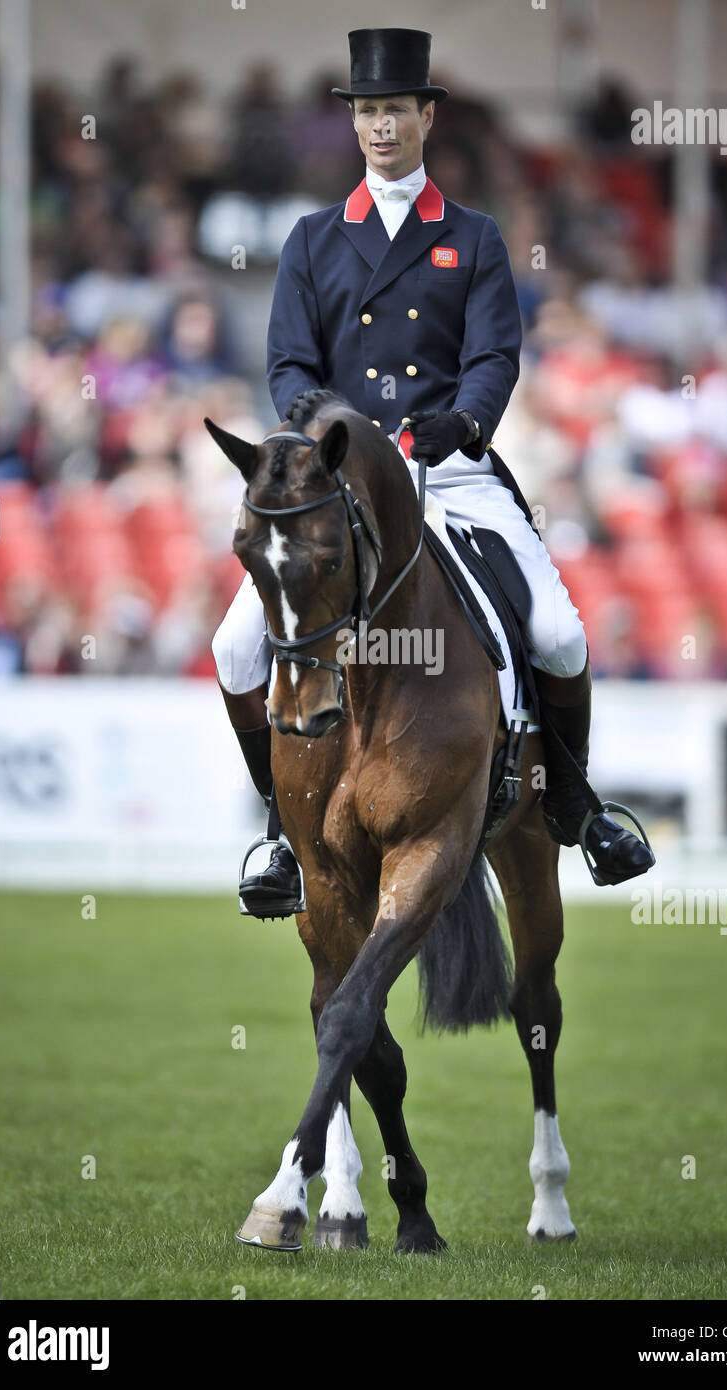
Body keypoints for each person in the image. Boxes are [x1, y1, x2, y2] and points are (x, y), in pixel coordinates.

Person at [212, 28, 654, 916]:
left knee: (561, 635)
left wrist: (464, 420)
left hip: (446, 467)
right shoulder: (311, 239)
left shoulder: (474, 236)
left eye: (394, 110)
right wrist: (332, 438)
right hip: (340, 482)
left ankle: (574, 798)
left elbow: (495, 354)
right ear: (356, 124)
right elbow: (289, 369)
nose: (380, 126)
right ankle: (279, 829)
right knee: (232, 648)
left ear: (425, 117)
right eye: (366, 111)